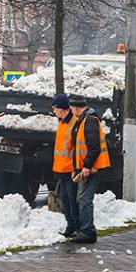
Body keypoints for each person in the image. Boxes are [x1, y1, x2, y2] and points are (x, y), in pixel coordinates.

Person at [66, 94, 111, 244]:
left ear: (75, 107)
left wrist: (86, 166)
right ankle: (84, 230)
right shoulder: (84, 120)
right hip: (85, 167)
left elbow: (94, 147)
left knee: (85, 199)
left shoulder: (89, 121)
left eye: (71, 108)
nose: (71, 111)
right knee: (82, 199)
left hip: (90, 168)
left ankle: (88, 232)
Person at [50, 93, 79, 239]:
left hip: (70, 169)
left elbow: (75, 148)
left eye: (55, 109)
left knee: (72, 198)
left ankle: (76, 226)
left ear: (62, 109)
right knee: (65, 198)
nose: (54, 112)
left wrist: (76, 168)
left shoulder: (74, 123)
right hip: (61, 168)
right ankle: (70, 225)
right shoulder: (61, 123)